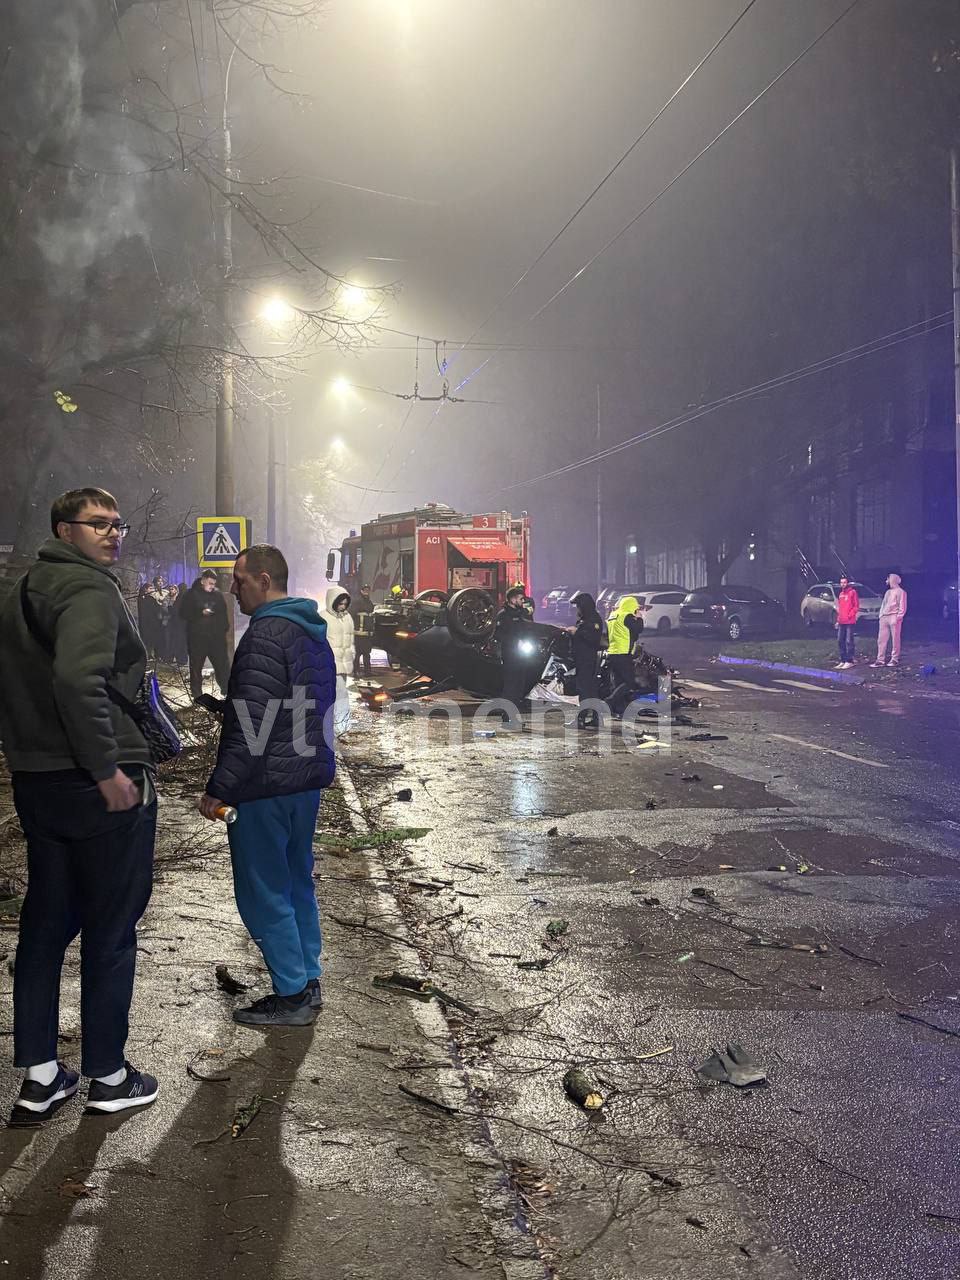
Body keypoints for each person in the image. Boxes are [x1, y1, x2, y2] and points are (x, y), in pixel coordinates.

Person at [0, 487, 159, 1123]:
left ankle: (40, 1077)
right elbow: (76, 679)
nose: (112, 534)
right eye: (98, 524)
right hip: (96, 782)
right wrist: (105, 770)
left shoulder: (19, 591)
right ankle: (109, 1076)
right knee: (111, 927)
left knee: (44, 924)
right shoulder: (88, 589)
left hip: (39, 780)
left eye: (118, 524)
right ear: (64, 531)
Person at [199, 544, 336, 1026]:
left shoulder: (263, 635)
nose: (232, 590)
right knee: (297, 882)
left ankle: (291, 996)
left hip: (265, 785)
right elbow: (302, 705)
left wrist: (219, 788)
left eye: (238, 580)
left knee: (263, 891)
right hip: (304, 781)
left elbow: (251, 723)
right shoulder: (310, 631)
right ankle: (307, 979)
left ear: (263, 580)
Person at [178, 570, 231, 699]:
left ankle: (227, 691)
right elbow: (183, 613)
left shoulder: (217, 595)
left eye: (214, 584)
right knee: (196, 668)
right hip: (197, 639)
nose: (212, 586)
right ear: (203, 581)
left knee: (222, 666)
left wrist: (223, 631)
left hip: (216, 639)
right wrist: (200, 612)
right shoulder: (190, 595)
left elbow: (223, 615)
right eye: (210, 583)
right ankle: (197, 696)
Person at [320, 586, 355, 734]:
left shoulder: (347, 617)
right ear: (332, 601)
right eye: (340, 603)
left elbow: (351, 639)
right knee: (341, 694)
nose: (343, 606)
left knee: (336, 694)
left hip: (345, 663)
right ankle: (342, 726)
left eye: (345, 604)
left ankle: (333, 725)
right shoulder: (323, 617)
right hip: (331, 663)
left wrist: (352, 654)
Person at [571, 592, 607, 729]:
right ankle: (596, 718)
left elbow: (592, 638)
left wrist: (577, 632)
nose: (577, 609)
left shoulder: (593, 619)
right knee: (591, 689)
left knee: (584, 689)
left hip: (587, 658)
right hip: (583, 658)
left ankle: (581, 718)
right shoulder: (586, 618)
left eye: (578, 606)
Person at [606, 595, 643, 716]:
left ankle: (618, 709)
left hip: (612, 652)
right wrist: (640, 618)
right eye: (636, 608)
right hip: (623, 653)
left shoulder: (613, 615)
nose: (636, 610)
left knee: (618, 683)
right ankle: (610, 701)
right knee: (629, 682)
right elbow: (638, 629)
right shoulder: (627, 616)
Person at [495, 585, 531, 711]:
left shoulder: (521, 614)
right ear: (512, 599)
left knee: (520, 679)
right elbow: (499, 635)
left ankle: (517, 702)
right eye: (520, 599)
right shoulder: (503, 615)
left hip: (522, 652)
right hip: (510, 653)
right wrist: (514, 642)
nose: (522, 601)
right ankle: (507, 706)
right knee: (511, 680)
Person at [872, 573, 907, 667]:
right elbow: (884, 604)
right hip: (885, 617)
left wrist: (898, 617)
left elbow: (902, 606)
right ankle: (880, 659)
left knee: (895, 639)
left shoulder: (901, 592)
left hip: (894, 616)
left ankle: (894, 658)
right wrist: (881, 615)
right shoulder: (888, 592)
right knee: (881, 639)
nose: (886, 581)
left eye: (888, 579)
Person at [350, 584, 375, 677]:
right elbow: (351, 615)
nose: (366, 591)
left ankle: (367, 672)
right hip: (359, 633)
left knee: (367, 653)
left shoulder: (369, 602)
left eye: (368, 590)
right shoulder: (357, 602)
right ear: (361, 591)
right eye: (365, 590)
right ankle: (356, 671)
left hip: (367, 633)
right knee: (357, 653)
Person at [835, 576, 859, 669]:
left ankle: (850, 660)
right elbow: (840, 608)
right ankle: (843, 660)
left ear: (847, 583)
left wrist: (850, 615)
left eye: (844, 582)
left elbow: (856, 606)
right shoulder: (841, 594)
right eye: (841, 582)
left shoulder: (852, 592)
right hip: (842, 621)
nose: (843, 584)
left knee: (849, 641)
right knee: (840, 640)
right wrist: (838, 620)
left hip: (849, 621)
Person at [166, 583, 188, 665]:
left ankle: (179, 659)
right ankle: (183, 659)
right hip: (185, 624)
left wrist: (170, 608)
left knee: (177, 641)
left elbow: (175, 611)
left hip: (178, 624)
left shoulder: (180, 598)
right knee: (183, 643)